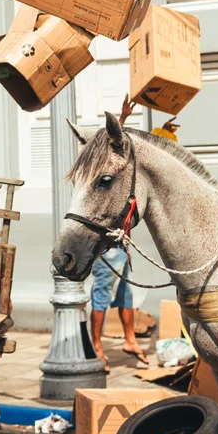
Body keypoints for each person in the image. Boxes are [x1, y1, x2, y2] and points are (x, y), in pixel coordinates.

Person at [89, 96, 149, 372]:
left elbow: (117, 142)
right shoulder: (99, 168)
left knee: (125, 294)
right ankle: (96, 346)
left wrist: (123, 118)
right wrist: (121, 119)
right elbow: (110, 143)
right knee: (102, 293)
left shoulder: (118, 161)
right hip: (107, 245)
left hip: (123, 243)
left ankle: (129, 340)